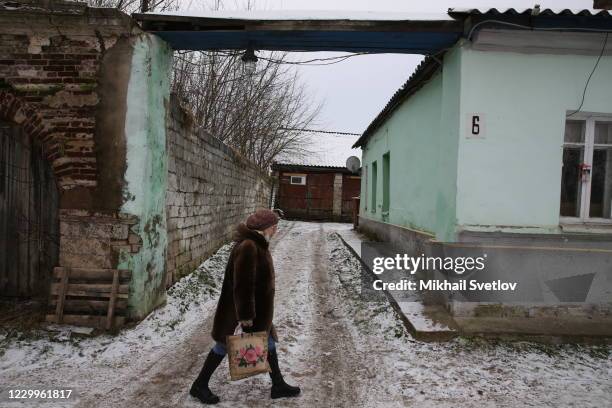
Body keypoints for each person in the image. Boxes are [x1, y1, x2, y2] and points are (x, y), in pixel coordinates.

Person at [190, 208, 301, 404]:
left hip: (259, 311)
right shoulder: (249, 246)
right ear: (264, 228)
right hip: (242, 312)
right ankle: (199, 385)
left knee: (269, 342)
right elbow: (242, 285)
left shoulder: (257, 244)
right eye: (274, 227)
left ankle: (278, 384)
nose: (276, 231)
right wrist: (246, 316)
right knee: (223, 346)